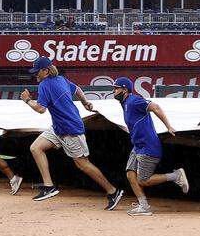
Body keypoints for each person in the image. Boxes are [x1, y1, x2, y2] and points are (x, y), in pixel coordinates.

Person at [20, 56, 124, 207]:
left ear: (46, 71)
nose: (35, 74)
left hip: (70, 129)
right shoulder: (61, 79)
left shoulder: (45, 85)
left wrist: (27, 100)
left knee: (83, 164)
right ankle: (49, 186)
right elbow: (78, 90)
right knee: (36, 147)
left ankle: (113, 191)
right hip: (59, 127)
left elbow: (41, 109)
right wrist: (85, 102)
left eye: (37, 72)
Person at [112, 77, 189, 216]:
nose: (113, 91)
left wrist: (168, 126)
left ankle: (175, 175)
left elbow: (156, 107)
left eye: (116, 88)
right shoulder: (124, 103)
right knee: (130, 174)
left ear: (125, 89)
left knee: (143, 180)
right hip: (137, 146)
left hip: (148, 146)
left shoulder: (134, 100)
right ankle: (144, 206)